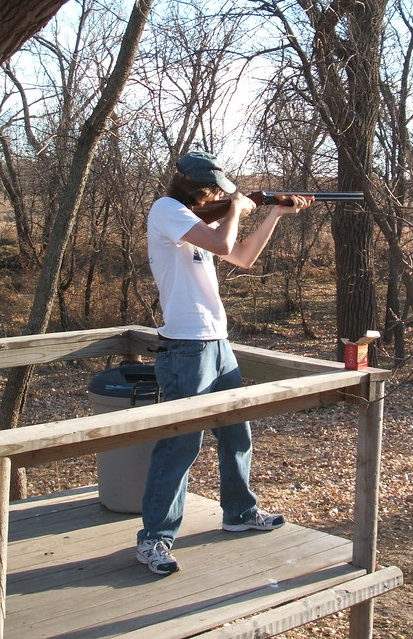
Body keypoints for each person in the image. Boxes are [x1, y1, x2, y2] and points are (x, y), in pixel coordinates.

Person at [137, 150, 313, 575]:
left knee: (237, 434)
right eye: (218, 189)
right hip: (185, 348)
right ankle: (154, 540)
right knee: (181, 443)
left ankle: (239, 513)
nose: (223, 194)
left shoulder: (195, 223)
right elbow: (222, 242)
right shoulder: (167, 211)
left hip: (217, 343)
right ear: (202, 190)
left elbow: (242, 256)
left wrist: (272, 213)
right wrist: (236, 207)